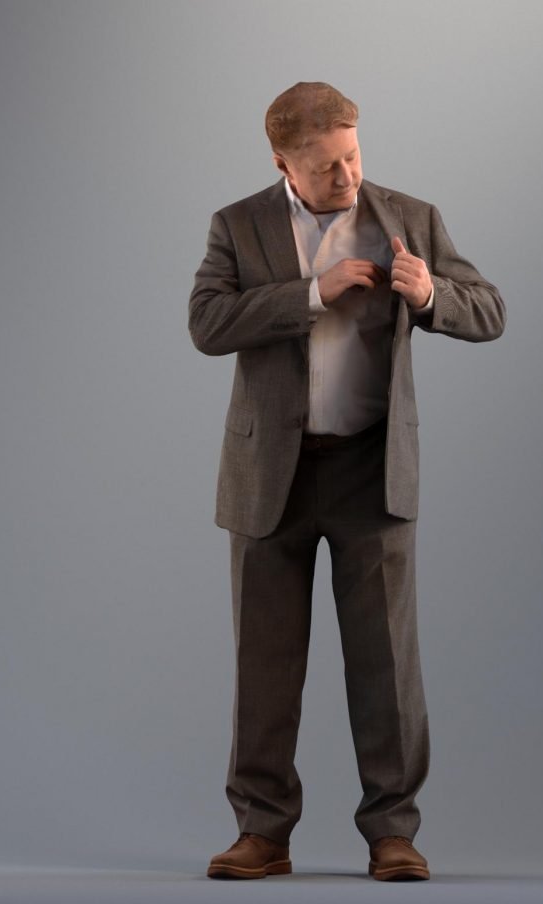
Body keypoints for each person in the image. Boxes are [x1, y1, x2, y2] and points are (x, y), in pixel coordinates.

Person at [188, 81, 505, 882]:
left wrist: (429, 294)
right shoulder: (237, 225)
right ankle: (263, 834)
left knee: (386, 665)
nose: (347, 176)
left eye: (353, 156)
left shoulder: (411, 217)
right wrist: (310, 293)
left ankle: (393, 833)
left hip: (373, 470)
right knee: (265, 666)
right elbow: (207, 324)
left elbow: (489, 310)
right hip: (270, 476)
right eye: (326, 165)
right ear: (283, 164)